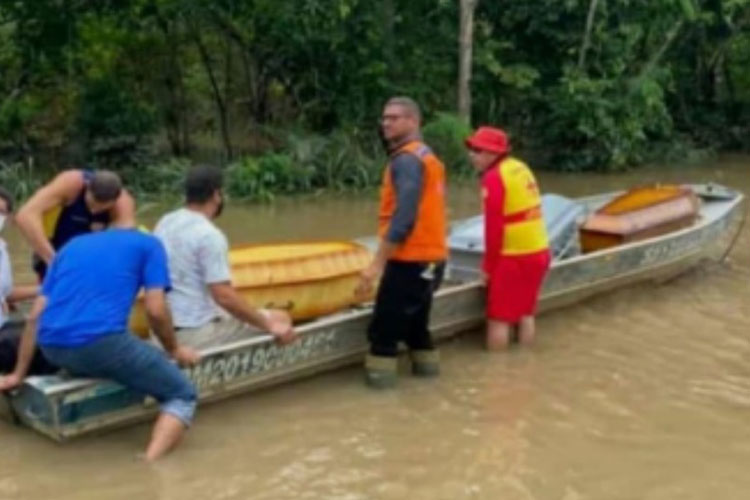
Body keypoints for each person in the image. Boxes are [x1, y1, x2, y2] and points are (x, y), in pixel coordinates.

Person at [0, 225, 200, 461]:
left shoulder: (72, 246)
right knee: (182, 394)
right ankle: (150, 464)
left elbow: (34, 316)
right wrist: (175, 350)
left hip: (51, 346)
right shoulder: (150, 245)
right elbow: (156, 310)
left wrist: (17, 374)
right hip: (101, 344)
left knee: (113, 355)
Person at [355, 97, 448, 388]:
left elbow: (404, 218)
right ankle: (428, 383)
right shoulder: (427, 156)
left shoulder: (406, 161)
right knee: (418, 329)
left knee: (384, 334)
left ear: (413, 122)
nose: (386, 123)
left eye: (394, 118)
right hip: (433, 259)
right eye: (384, 118)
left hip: (409, 261)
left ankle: (379, 405)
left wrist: (375, 265)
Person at [154, 165, 295, 348]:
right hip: (194, 336)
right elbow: (224, 297)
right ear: (216, 195)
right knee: (280, 317)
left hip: (161, 331)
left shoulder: (166, 221)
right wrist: (268, 324)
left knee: (237, 313)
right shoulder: (209, 235)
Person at [465, 126, 551, 350]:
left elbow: (494, 230)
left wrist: (488, 268)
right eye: (471, 149)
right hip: (539, 252)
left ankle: (497, 374)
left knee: (498, 319)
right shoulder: (520, 167)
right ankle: (524, 364)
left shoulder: (494, 178)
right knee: (525, 312)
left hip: (514, 257)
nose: (471, 155)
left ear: (493, 153)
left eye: (477, 150)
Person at [15, 169, 135, 280]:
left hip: (90, 250)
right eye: (92, 204)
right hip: (55, 243)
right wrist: (52, 260)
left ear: (114, 201)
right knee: (51, 290)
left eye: (101, 209)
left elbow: (124, 243)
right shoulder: (71, 183)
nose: (93, 211)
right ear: (87, 188)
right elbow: (25, 215)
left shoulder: (123, 203)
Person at [0, 188, 57, 375]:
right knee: (47, 345)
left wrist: (46, 289)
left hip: (4, 324)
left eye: (1, 212)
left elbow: (6, 293)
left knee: (51, 329)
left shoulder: (1, 248)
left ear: (8, 218)